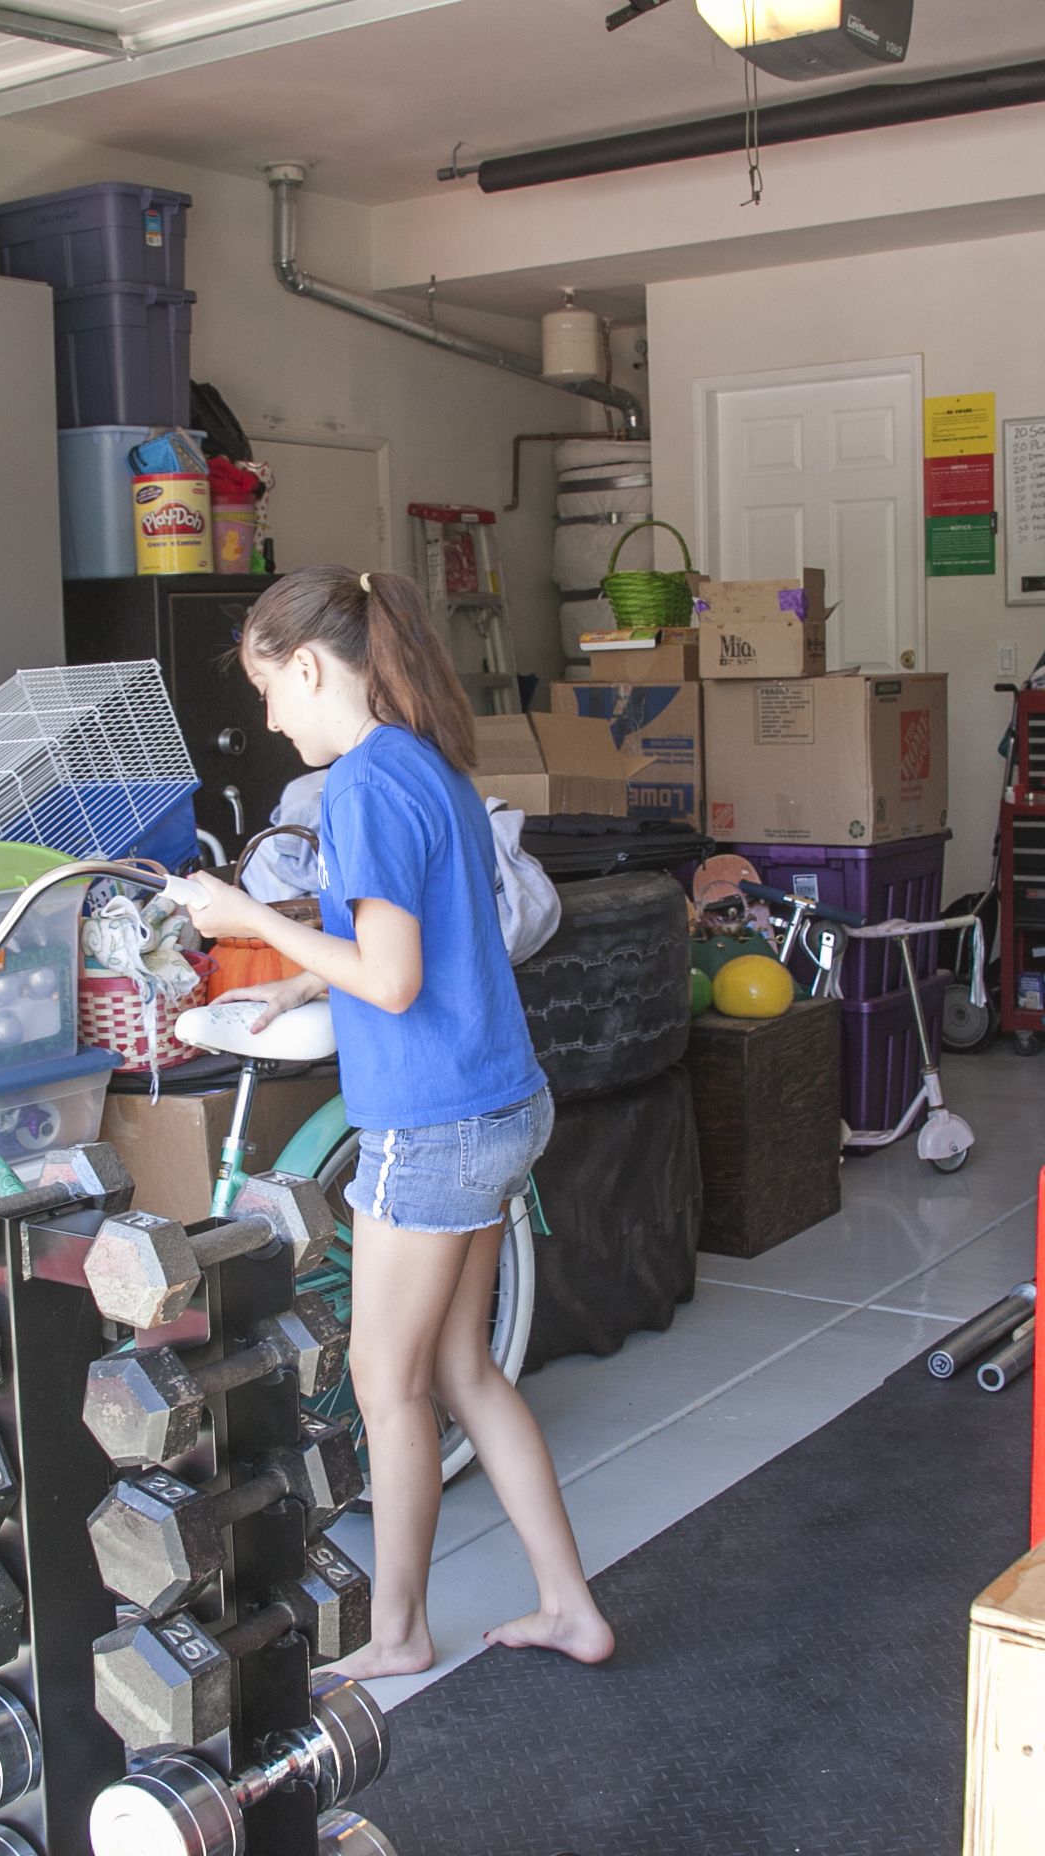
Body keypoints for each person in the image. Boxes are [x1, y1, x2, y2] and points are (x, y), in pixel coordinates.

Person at [167, 565, 616, 1678]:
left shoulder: (361, 786)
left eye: (269, 691)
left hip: (432, 1126)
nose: (272, 720)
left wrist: (242, 915)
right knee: (465, 1370)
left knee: (387, 1381)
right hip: (502, 1102)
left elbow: (395, 975)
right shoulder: (429, 762)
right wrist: (299, 977)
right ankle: (571, 1607)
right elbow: (434, 937)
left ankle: (402, 1631)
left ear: (310, 667)